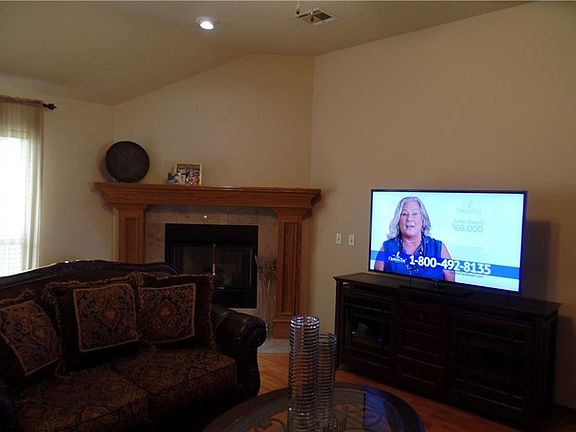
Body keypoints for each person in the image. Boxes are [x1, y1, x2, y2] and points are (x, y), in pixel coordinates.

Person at [374, 196, 455, 281]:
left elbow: (451, 284)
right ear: (398, 220)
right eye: (404, 214)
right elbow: (377, 283)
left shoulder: (438, 248)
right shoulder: (387, 248)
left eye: (414, 214)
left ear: (423, 219)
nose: (409, 219)